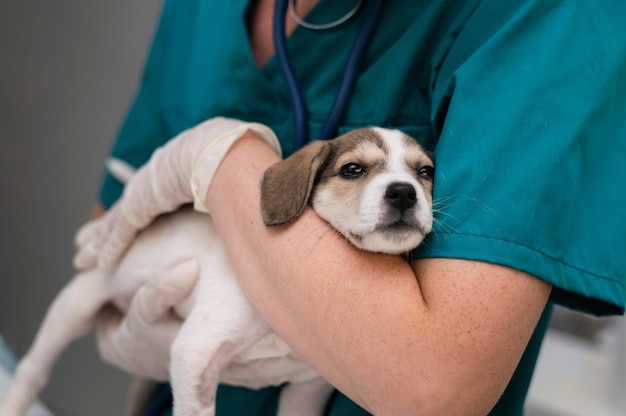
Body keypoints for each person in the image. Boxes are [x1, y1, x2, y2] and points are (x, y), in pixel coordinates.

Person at [74, 0, 626, 415]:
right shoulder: (204, 11)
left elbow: (433, 385)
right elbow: (106, 239)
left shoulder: (544, 13)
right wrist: (156, 331)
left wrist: (223, 159)